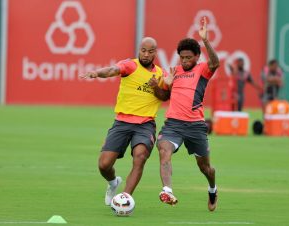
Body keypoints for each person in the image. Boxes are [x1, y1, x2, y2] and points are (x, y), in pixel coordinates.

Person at [80, 37, 170, 206]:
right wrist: (97, 73)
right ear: (139, 50)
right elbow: (112, 70)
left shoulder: (161, 74)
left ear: (155, 53)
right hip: (122, 122)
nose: (146, 54)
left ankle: (124, 199)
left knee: (140, 157)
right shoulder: (131, 65)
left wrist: (155, 87)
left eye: (150, 52)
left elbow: (166, 97)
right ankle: (113, 182)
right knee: (104, 164)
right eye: (143, 50)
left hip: (145, 124)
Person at [152, 17, 220, 211]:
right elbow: (163, 96)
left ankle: (213, 188)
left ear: (197, 56)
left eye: (188, 57)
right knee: (164, 150)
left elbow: (216, 63)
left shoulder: (202, 70)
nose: (185, 60)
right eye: (182, 57)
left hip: (196, 126)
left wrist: (206, 40)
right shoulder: (174, 71)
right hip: (173, 124)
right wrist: (163, 84)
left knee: (205, 168)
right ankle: (167, 190)